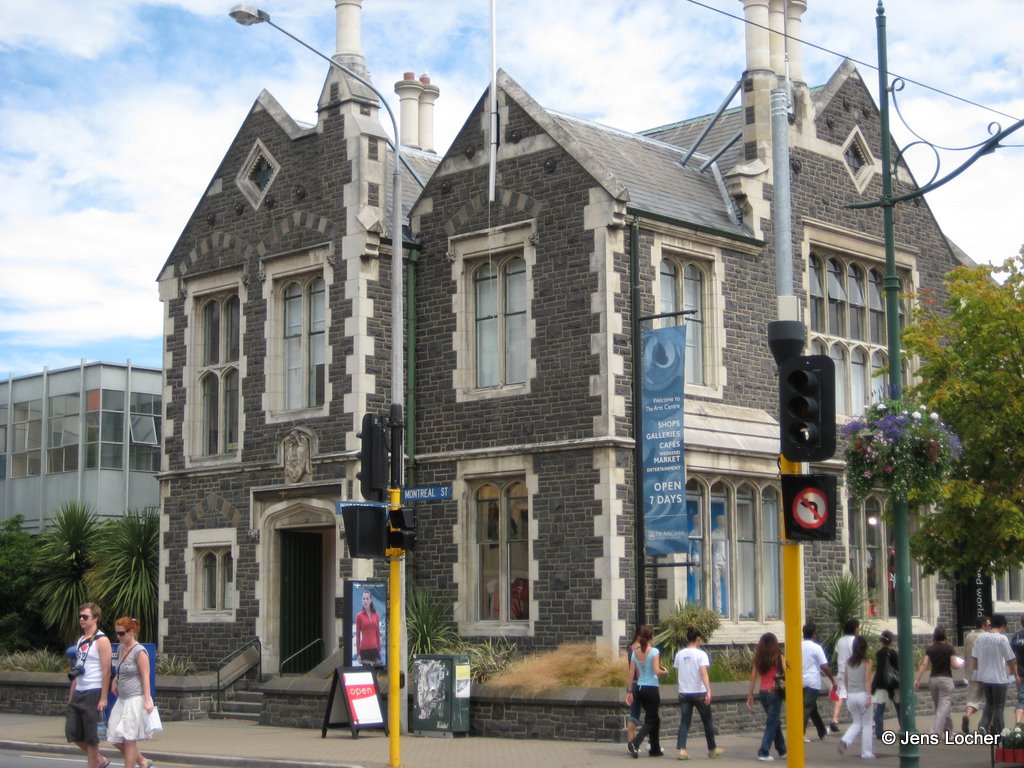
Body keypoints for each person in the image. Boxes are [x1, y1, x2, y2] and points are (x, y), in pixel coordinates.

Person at [65, 602, 112, 768]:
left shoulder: (102, 640)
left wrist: (104, 698)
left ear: (95, 618)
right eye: (80, 617)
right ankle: (100, 759)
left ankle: (94, 764)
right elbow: (78, 668)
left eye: (85, 617)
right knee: (72, 732)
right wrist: (72, 694)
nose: (81, 620)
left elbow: (106, 670)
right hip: (79, 690)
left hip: (94, 691)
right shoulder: (81, 640)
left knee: (92, 737)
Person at [107, 617, 155, 768]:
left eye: (121, 633)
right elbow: (120, 669)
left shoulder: (139, 651)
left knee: (129, 739)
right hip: (122, 700)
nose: (118, 637)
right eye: (117, 633)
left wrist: (148, 700)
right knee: (113, 736)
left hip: (134, 700)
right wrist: (115, 680)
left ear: (131, 632)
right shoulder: (120, 649)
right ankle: (142, 761)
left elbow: (146, 677)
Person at [673, 626, 724, 760]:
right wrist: (708, 690)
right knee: (707, 721)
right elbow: (703, 672)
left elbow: (678, 671)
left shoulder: (680, 654)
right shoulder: (701, 655)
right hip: (699, 692)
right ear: (698, 639)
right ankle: (712, 749)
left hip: (684, 693)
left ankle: (682, 751)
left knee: (685, 721)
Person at [973, 613, 1021, 735]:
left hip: (985, 678)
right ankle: (998, 732)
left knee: (989, 704)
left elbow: (975, 658)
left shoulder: (980, 638)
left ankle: (983, 726)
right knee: (999, 707)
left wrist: (976, 674)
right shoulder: (1002, 639)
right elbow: (1010, 659)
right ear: (1002, 625)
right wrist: (1015, 675)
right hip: (999, 678)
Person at [627, 625, 667, 758]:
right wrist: (665, 672)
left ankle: (655, 749)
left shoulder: (635, 652)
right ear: (650, 637)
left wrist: (629, 691)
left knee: (655, 718)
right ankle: (634, 744)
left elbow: (631, 673)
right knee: (650, 720)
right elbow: (656, 671)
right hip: (651, 689)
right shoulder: (654, 651)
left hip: (639, 688)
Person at [746, 632, 787, 761]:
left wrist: (750, 695)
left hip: (763, 693)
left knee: (774, 721)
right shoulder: (779, 657)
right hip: (775, 692)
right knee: (772, 723)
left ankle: (782, 750)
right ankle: (763, 752)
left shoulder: (758, 659)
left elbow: (753, 677)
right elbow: (786, 673)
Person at [837, 635, 875, 759]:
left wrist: (848, 693)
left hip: (851, 695)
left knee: (857, 723)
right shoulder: (867, 662)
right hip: (863, 695)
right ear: (865, 648)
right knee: (867, 724)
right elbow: (867, 680)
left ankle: (845, 740)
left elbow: (846, 679)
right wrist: (868, 697)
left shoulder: (848, 662)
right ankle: (866, 752)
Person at [916, 625, 956, 734]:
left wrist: (918, 679)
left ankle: (948, 732)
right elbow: (954, 665)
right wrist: (962, 664)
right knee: (943, 708)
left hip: (933, 679)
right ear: (945, 635)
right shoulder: (949, 648)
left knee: (941, 707)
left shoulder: (930, 648)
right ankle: (935, 732)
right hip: (946, 679)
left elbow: (924, 664)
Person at [801, 622, 836, 741]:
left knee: (812, 709)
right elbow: (825, 666)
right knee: (806, 708)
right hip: (812, 682)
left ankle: (822, 732)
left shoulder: (796, 646)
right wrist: (832, 680)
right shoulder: (816, 647)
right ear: (814, 634)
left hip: (800, 681)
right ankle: (800, 734)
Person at [961, 615, 991, 733]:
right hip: (986, 673)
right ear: (983, 625)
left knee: (973, 700)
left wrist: (967, 670)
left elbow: (965, 655)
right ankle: (987, 725)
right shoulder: (987, 636)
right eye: (988, 625)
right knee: (990, 701)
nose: (990, 627)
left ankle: (967, 715)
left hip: (972, 673)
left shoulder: (969, 636)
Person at [832, 618, 860, 733]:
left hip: (841, 671)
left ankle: (835, 720)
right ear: (855, 629)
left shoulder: (840, 640)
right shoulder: (855, 641)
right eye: (858, 628)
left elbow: (838, 654)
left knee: (840, 695)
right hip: (853, 671)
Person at [871, 629, 900, 737]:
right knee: (899, 708)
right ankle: (904, 728)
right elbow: (898, 668)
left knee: (879, 709)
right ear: (891, 640)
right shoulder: (893, 653)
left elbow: (880, 669)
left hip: (881, 683)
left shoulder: (878, 653)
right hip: (893, 683)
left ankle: (879, 731)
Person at [624, 630, 642, 746]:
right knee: (651, 716)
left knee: (634, 715)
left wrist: (629, 690)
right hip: (642, 684)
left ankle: (631, 744)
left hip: (633, 684)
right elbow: (638, 669)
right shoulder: (640, 649)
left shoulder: (631, 647)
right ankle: (651, 744)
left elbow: (631, 671)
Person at [355, 590, 382, 665]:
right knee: (367, 671)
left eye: (367, 599)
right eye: (363, 598)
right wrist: (358, 653)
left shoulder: (375, 615)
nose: (365, 601)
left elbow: (378, 633)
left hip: (375, 649)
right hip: (364, 650)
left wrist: (379, 649)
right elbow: (357, 636)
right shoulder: (359, 616)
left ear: (371, 600)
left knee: (378, 670)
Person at [1009, 616, 1024, 728]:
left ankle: (1018, 723)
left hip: (1021, 672)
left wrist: (1014, 672)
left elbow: (1011, 656)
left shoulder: (1016, 636)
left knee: (1022, 699)